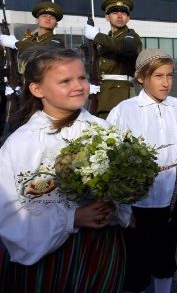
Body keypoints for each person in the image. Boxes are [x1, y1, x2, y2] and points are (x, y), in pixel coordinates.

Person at [0, 48, 130, 290]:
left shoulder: (104, 129)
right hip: (50, 254)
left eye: (82, 77)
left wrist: (117, 204)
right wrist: (73, 218)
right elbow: (10, 212)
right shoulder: (22, 144)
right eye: (65, 81)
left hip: (101, 244)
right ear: (37, 89)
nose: (79, 86)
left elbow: (123, 183)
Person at [107, 49, 177, 293]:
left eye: (170, 75)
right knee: (136, 260)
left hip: (171, 196)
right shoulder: (125, 111)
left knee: (165, 255)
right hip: (138, 201)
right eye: (158, 76)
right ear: (141, 78)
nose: (166, 83)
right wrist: (122, 207)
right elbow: (114, 160)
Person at [83, 0, 142, 119]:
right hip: (102, 92)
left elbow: (126, 47)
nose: (120, 16)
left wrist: (97, 36)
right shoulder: (105, 41)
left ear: (128, 18)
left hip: (120, 94)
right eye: (115, 12)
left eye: (124, 13)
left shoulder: (131, 36)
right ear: (107, 17)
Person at [0, 1, 65, 80]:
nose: (48, 19)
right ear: (37, 20)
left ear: (56, 24)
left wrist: (14, 43)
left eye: (52, 17)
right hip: (22, 87)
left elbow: (42, 51)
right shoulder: (27, 40)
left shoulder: (57, 41)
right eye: (44, 16)